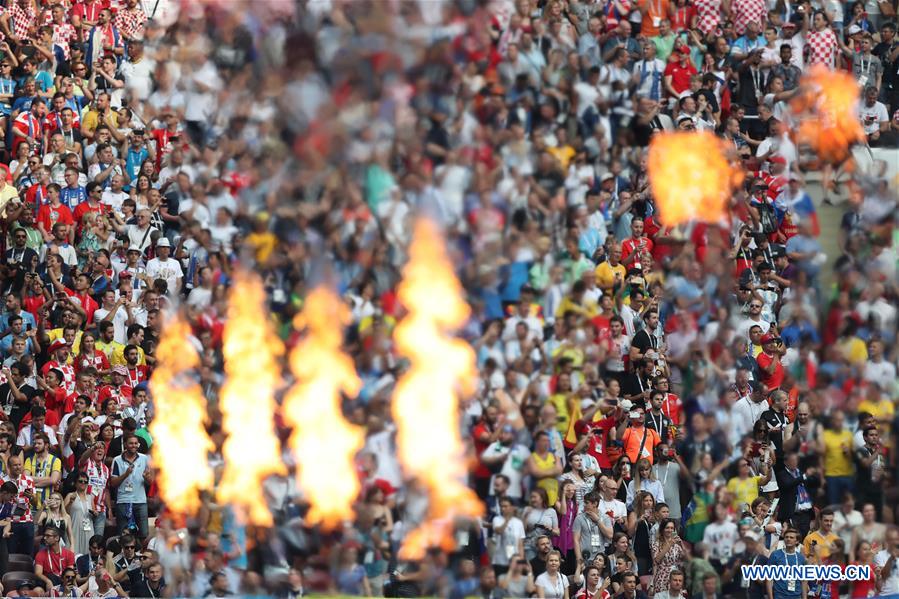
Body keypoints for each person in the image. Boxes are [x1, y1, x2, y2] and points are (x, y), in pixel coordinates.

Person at [108, 433, 153, 540]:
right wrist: (125, 474)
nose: (133, 445)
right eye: (131, 443)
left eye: (135, 443)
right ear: (125, 445)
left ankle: (141, 555)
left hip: (140, 501)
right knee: (123, 535)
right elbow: (113, 483)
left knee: (143, 534)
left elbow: (151, 482)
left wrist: (147, 477)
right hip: (123, 501)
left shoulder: (144, 459)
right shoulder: (117, 460)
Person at [766, 528, 806, 599]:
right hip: (780, 596)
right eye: (786, 537)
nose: (788, 539)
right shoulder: (775, 554)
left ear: (797, 541)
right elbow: (769, 578)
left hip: (796, 596)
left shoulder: (801, 558)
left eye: (791, 537)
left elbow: (803, 581)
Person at [34, 525, 76, 590]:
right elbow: (38, 573)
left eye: (48, 536)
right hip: (47, 583)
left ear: (56, 538)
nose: (44, 538)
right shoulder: (40, 554)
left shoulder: (69, 554)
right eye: (44, 535)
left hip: (63, 582)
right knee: (37, 590)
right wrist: (48, 581)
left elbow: (69, 573)